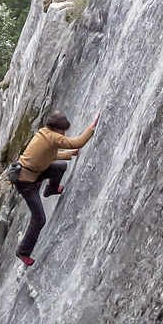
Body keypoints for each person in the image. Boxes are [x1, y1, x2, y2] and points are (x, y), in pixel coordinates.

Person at [15, 109, 99, 266]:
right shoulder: (53, 137)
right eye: (63, 130)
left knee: (60, 167)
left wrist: (70, 154)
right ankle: (23, 251)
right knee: (39, 219)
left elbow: (49, 156)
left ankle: (51, 189)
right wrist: (92, 127)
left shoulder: (45, 133)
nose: (63, 133)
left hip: (35, 173)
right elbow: (78, 142)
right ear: (56, 129)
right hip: (26, 183)